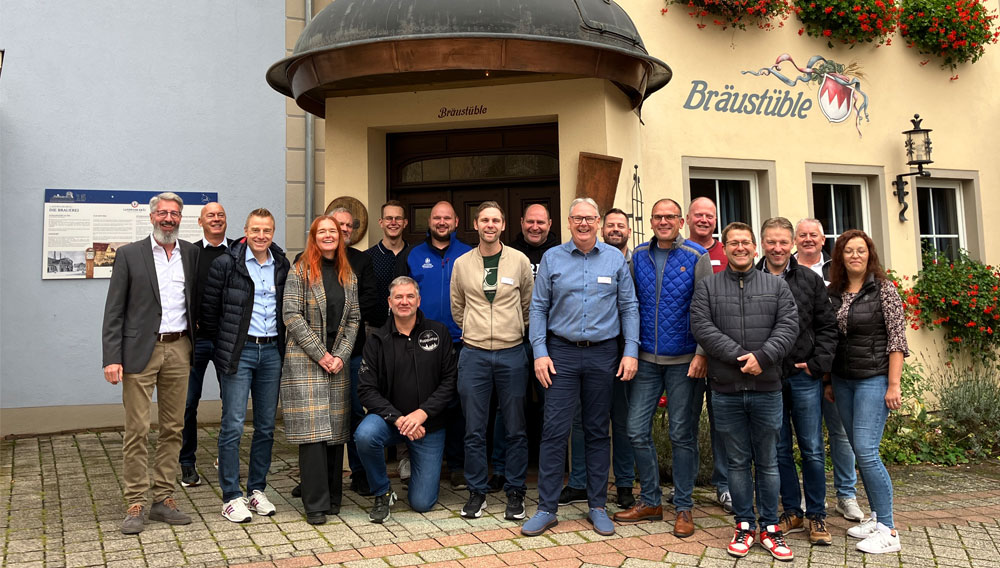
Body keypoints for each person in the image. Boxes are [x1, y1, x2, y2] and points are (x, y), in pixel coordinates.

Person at [522, 197, 639, 538]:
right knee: (555, 429)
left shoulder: (615, 258)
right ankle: (546, 509)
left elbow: (629, 307)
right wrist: (540, 352)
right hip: (561, 354)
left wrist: (630, 350)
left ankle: (598, 506)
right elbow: (539, 308)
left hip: (604, 354)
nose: (584, 224)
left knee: (597, 430)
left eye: (590, 218)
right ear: (569, 222)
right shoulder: (552, 258)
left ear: (598, 221)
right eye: (578, 219)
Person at [690, 222, 799, 561]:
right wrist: (741, 358)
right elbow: (701, 326)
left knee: (768, 461)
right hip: (726, 388)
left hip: (767, 387)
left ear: (756, 248)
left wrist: (763, 357)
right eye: (733, 242)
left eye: (745, 242)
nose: (739, 247)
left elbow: (788, 326)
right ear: (725, 247)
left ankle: (770, 528)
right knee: (737, 463)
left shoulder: (777, 287)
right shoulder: (708, 287)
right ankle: (743, 525)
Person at [102, 192, 198, 534]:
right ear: (152, 216)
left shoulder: (191, 253)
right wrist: (112, 357)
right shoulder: (130, 254)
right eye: (163, 213)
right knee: (137, 429)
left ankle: (163, 498)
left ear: (180, 218)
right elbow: (114, 309)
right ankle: (136, 502)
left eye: (174, 213)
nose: (168, 218)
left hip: (179, 348)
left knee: (174, 428)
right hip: (140, 352)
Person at [615, 199, 711, 539]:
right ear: (651, 221)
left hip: (685, 361)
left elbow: (705, 307)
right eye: (658, 217)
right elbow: (628, 305)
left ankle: (683, 507)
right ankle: (651, 501)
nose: (664, 221)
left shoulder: (697, 257)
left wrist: (702, 352)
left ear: (681, 221)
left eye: (670, 216)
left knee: (681, 435)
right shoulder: (638, 256)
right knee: (636, 429)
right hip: (645, 359)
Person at [201, 208, 290, 523]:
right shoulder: (227, 263)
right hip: (240, 353)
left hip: (271, 354)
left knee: (266, 425)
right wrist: (226, 345)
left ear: (273, 232)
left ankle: (256, 490)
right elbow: (210, 313)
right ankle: (231, 496)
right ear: (246, 230)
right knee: (233, 425)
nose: (261, 236)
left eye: (267, 230)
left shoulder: (282, 265)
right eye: (256, 230)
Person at [756, 217, 837, 546]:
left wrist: (818, 364)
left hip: (803, 377)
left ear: (791, 244)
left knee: (813, 449)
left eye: (782, 242)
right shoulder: (750, 278)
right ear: (763, 243)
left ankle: (816, 515)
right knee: (778, 450)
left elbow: (828, 327)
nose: (777, 248)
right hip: (768, 378)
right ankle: (792, 511)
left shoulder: (809, 280)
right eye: (770, 242)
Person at [450, 201, 534, 521]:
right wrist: (474, 328)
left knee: (515, 427)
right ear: (475, 224)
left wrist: (511, 327)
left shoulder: (519, 261)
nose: (490, 225)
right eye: (484, 219)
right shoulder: (462, 264)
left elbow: (527, 304)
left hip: (512, 352)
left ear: (502, 224)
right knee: (474, 429)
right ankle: (477, 492)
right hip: (473, 354)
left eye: (495, 220)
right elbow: (457, 306)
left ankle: (515, 492)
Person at [826, 229, 908, 555]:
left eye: (861, 250)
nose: (855, 256)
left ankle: (888, 530)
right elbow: (830, 340)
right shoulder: (835, 292)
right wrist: (829, 382)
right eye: (849, 251)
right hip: (843, 380)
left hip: (873, 380)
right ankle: (875, 518)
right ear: (841, 257)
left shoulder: (884, 290)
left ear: (869, 254)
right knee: (860, 451)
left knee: (867, 450)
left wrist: (893, 384)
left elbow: (897, 340)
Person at [356, 277, 458, 523]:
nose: (405, 302)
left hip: (428, 426)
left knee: (422, 503)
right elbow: (366, 389)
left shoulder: (439, 332)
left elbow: (450, 382)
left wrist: (422, 414)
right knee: (364, 435)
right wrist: (400, 419)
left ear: (419, 300)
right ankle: (382, 492)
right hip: (391, 421)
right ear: (389, 302)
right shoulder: (377, 340)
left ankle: (416, 467)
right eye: (399, 297)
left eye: (410, 296)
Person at [281, 215, 360, 525]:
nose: (329, 236)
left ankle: (333, 498)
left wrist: (340, 355)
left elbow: (354, 319)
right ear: (313, 237)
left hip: (336, 363)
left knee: (335, 434)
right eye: (322, 232)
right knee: (313, 436)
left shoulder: (348, 275)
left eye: (333, 231)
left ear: (340, 237)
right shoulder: (300, 270)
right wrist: (322, 354)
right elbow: (292, 316)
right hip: (305, 361)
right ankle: (315, 504)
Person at [560, 207, 636, 510]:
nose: (615, 229)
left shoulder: (636, 260)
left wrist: (631, 349)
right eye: (612, 225)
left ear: (628, 231)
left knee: (622, 419)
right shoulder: (586, 258)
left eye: (621, 225)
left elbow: (632, 307)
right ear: (602, 230)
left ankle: (625, 483)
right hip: (589, 351)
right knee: (583, 419)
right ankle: (579, 482)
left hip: (622, 351)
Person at [396, 200, 472, 489]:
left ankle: (457, 466)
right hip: (423, 342)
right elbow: (402, 297)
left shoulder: (468, 254)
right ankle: (421, 466)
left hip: (461, 341)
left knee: (459, 407)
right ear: (429, 223)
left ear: (455, 223)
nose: (441, 222)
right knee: (422, 403)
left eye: (447, 218)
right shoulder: (414, 255)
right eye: (436, 218)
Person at [795, 218, 863, 523]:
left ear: (824, 240)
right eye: (803, 235)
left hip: (835, 367)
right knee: (805, 439)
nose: (808, 239)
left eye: (814, 235)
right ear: (795, 240)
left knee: (840, 433)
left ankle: (846, 495)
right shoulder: (781, 270)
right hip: (799, 369)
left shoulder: (837, 272)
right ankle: (810, 497)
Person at [491, 203, 560, 492]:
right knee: (507, 407)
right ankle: (499, 468)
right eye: (530, 221)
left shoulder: (560, 253)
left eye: (540, 222)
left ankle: (549, 470)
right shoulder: (509, 254)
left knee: (550, 407)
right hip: (516, 339)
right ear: (519, 223)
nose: (535, 226)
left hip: (552, 341)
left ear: (550, 223)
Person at [329, 207, 385, 495]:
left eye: (349, 226)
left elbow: (371, 299)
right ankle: (320, 476)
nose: (344, 229)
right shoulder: (308, 259)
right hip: (319, 352)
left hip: (354, 350)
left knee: (354, 413)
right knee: (322, 414)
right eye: (339, 224)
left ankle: (359, 473)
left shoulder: (362, 260)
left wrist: (342, 318)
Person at [179, 202, 233, 487]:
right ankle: (187, 462)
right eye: (210, 215)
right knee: (187, 403)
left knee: (231, 403)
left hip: (228, 341)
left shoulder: (237, 251)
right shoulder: (190, 254)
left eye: (220, 215)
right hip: (196, 340)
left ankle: (225, 458)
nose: (216, 219)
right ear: (200, 222)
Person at [684, 197, 731, 513]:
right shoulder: (677, 250)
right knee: (683, 423)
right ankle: (684, 488)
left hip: (724, 351)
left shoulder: (728, 251)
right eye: (698, 214)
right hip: (686, 353)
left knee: (723, 423)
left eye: (709, 215)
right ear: (687, 218)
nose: (703, 219)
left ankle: (724, 485)